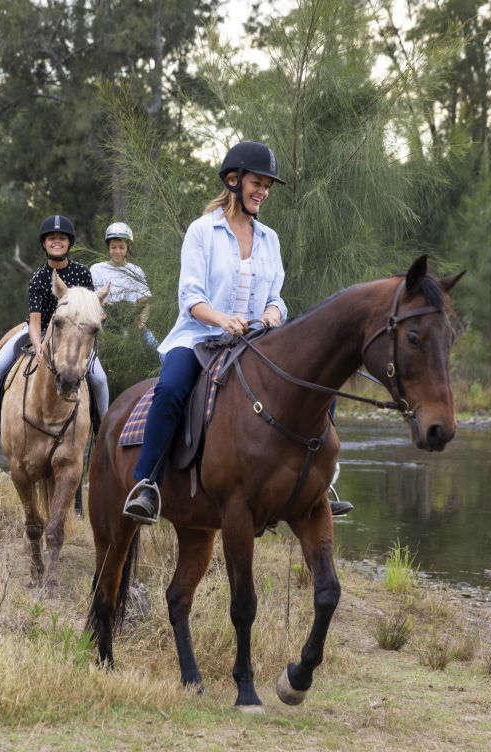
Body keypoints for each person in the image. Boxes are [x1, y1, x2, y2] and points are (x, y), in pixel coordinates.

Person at [121, 141, 352, 524]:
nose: (262, 192)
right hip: (199, 337)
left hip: (256, 342)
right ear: (234, 180)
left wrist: (272, 314)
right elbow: (190, 297)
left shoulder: (270, 240)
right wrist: (222, 319)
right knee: (172, 388)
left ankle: (321, 481)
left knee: (318, 386)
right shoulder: (202, 231)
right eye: (256, 183)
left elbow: (278, 298)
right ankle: (147, 483)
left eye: (267, 186)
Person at [0, 214, 110, 449]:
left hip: (76, 334)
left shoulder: (82, 274)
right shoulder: (38, 279)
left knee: (100, 379)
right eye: (52, 238)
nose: (57, 242)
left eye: (61, 238)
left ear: (69, 243)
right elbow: (35, 321)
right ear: (44, 243)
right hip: (41, 330)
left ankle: (103, 431)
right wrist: (39, 344)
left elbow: (93, 309)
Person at [90, 221, 157, 348]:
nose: (117, 251)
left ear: (128, 248)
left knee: (156, 349)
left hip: (131, 324)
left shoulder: (135, 271)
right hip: (104, 323)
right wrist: (99, 313)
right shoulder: (97, 269)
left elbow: (145, 301)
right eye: (113, 247)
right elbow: (92, 298)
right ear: (108, 247)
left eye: (121, 247)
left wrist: (142, 321)